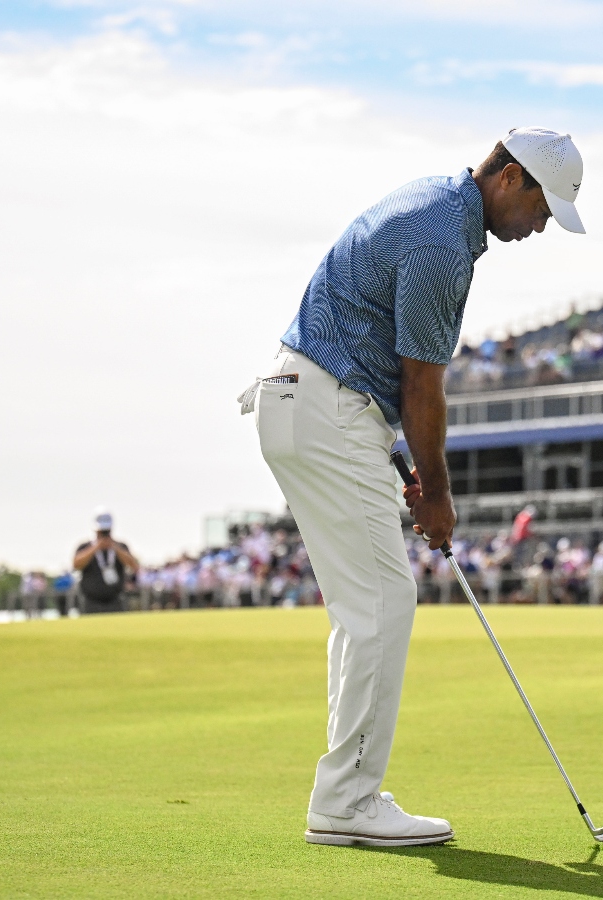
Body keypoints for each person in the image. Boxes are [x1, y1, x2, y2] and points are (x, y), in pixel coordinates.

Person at [243, 127, 585, 847]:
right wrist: (436, 492)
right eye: (543, 206)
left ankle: (346, 793)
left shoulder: (437, 208)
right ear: (510, 177)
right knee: (384, 599)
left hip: (304, 400)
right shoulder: (440, 240)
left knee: (363, 604)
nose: (541, 224)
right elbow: (422, 382)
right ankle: (347, 802)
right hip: (326, 406)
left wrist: (397, 448)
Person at [73, 509, 138, 613]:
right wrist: (95, 548)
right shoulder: (85, 546)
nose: (104, 534)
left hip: (115, 600)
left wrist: (115, 547)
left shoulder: (120, 546)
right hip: (91, 601)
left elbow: (133, 565)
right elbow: (76, 565)